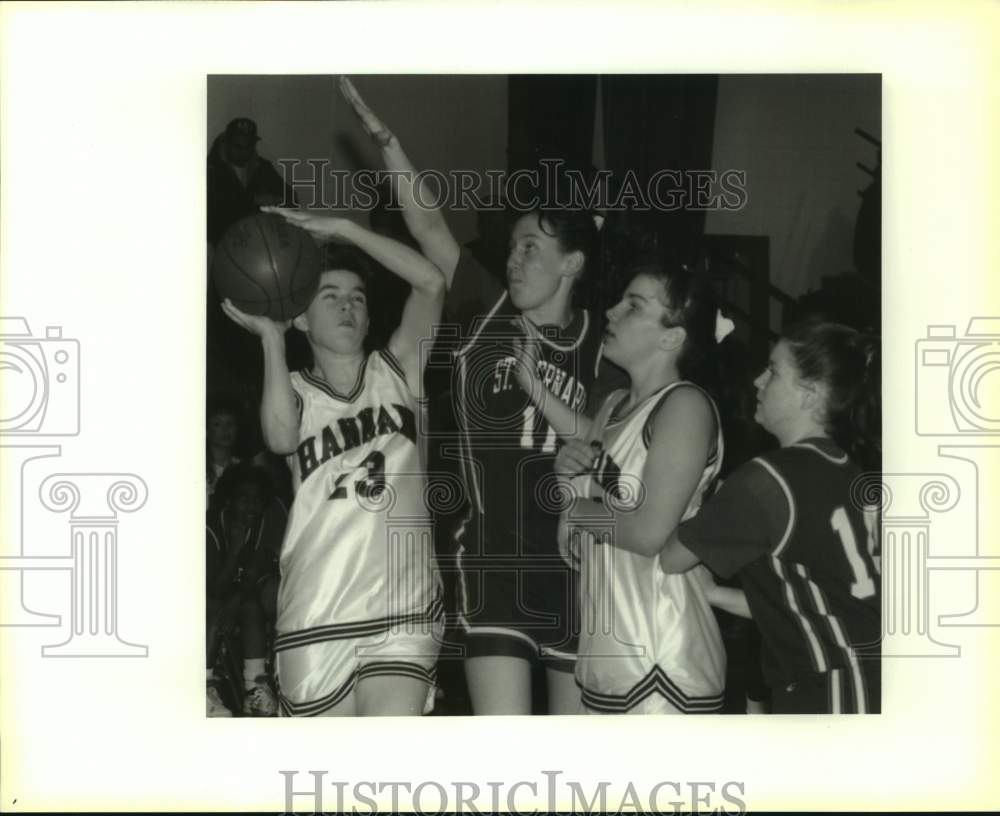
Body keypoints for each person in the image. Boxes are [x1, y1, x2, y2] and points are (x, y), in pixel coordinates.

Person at [339, 76, 607, 714]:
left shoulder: (604, 344)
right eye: (512, 246)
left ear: (572, 264)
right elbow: (429, 225)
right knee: (505, 755)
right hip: (491, 562)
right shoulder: (490, 312)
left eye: (531, 247)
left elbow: (613, 438)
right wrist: (389, 145)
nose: (513, 259)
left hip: (578, 564)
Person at [222, 214, 446, 717]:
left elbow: (431, 281)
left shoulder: (399, 367)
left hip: (401, 604)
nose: (347, 305)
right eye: (331, 296)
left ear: (369, 318)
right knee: (324, 780)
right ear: (301, 317)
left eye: (358, 298)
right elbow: (280, 438)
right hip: (315, 603)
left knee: (388, 765)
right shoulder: (295, 391)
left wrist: (343, 228)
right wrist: (271, 339)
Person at [533, 260, 729, 714]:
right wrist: (568, 481)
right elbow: (580, 540)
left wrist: (574, 511)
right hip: (609, 658)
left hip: (663, 662)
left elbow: (647, 533)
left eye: (634, 305)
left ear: (672, 337)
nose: (612, 311)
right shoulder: (614, 406)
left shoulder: (685, 405)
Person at [658, 320, 882, 714]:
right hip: (864, 678)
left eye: (774, 371)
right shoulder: (849, 471)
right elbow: (814, 602)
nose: (758, 381)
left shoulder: (768, 480)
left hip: (834, 684)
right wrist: (714, 594)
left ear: (811, 395)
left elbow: (670, 556)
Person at [206, 463, 286, 717]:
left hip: (240, 595)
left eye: (257, 500)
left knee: (251, 607)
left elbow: (252, 575)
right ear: (229, 500)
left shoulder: (264, 523)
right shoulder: (211, 526)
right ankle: (204, 686)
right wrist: (234, 551)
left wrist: (234, 605)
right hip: (211, 594)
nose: (251, 506)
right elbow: (215, 589)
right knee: (213, 608)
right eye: (243, 500)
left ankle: (254, 690)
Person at [207, 117, 296, 245]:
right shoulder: (210, 171)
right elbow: (214, 213)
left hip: (257, 245)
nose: (243, 152)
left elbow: (292, 199)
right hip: (221, 246)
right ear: (226, 143)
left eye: (248, 146)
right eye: (238, 146)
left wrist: (277, 202)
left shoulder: (263, 167)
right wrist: (253, 200)